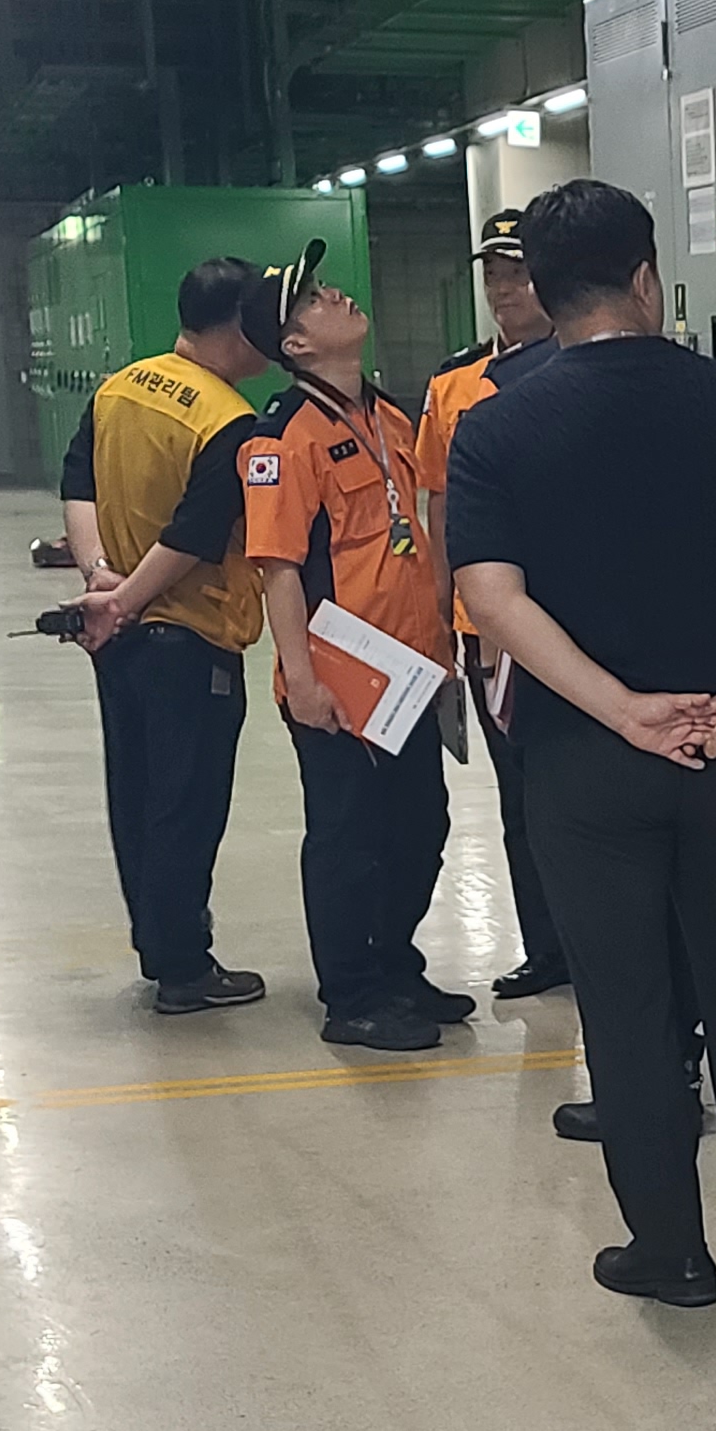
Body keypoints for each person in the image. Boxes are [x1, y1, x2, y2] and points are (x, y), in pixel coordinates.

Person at [444, 179, 716, 1306]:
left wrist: (619, 708)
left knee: (625, 1003)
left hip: (585, 760)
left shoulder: (496, 423)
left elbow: (492, 595)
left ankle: (669, 1251)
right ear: (645, 276)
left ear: (541, 290)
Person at [238, 242, 472, 1050]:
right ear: (296, 344)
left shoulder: (387, 416)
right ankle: (353, 996)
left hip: (408, 673)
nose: (335, 295)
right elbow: (278, 570)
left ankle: (395, 965)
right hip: (341, 684)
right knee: (349, 841)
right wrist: (303, 683)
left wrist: (442, 648)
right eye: (313, 300)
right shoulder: (282, 440)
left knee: (419, 828)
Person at [60, 258, 272, 1012]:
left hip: (117, 637)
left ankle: (159, 948)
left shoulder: (120, 387)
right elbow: (195, 533)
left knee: (137, 794)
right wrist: (128, 599)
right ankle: (183, 967)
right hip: (189, 635)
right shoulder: (227, 419)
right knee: (186, 804)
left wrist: (100, 579)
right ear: (239, 326)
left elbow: (78, 484)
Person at [419, 204, 567, 999]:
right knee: (519, 794)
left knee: (580, 791)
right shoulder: (454, 384)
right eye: (495, 276)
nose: (505, 290)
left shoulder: (575, 368)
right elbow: (441, 505)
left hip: (570, 616)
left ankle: (597, 941)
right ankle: (546, 946)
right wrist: (440, 611)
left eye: (519, 273)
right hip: (488, 627)